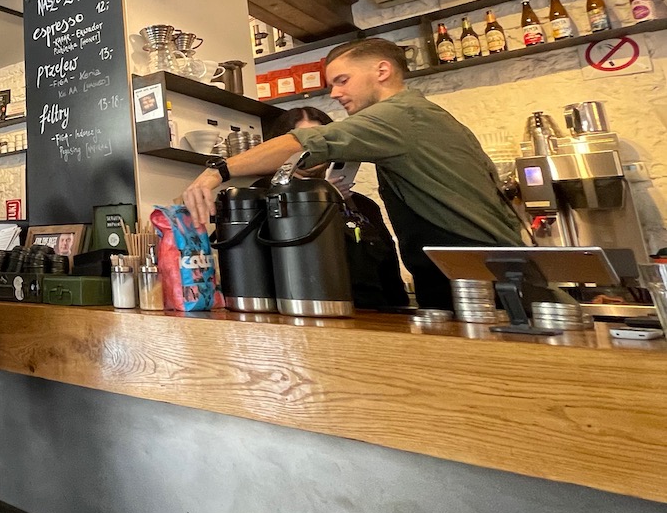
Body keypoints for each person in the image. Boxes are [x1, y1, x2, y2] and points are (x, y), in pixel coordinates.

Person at [184, 38, 523, 309]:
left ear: (382, 70)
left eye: (342, 80)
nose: (334, 93)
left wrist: (219, 171)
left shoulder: (401, 115)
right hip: (479, 275)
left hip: (480, 283)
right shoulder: (424, 116)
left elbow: (307, 142)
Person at [263, 107, 408, 310]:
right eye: (301, 144)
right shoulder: (264, 202)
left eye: (318, 141)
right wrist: (321, 200)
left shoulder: (364, 206)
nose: (310, 152)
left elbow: (389, 274)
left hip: (377, 319)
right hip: (302, 316)